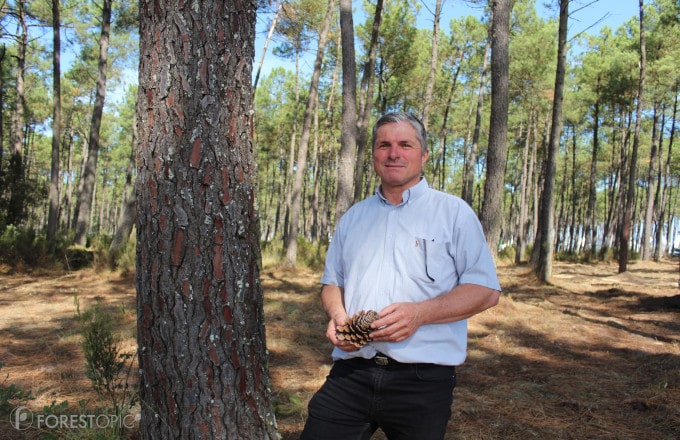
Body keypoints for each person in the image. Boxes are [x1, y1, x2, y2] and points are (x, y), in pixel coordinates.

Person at [300, 112, 502, 440]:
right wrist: (337, 316)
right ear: (375, 155)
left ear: (423, 155)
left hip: (422, 382)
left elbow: (485, 290)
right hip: (351, 372)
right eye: (384, 145)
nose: (394, 153)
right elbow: (332, 283)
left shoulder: (453, 214)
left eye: (405, 144)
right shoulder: (354, 218)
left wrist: (420, 314)